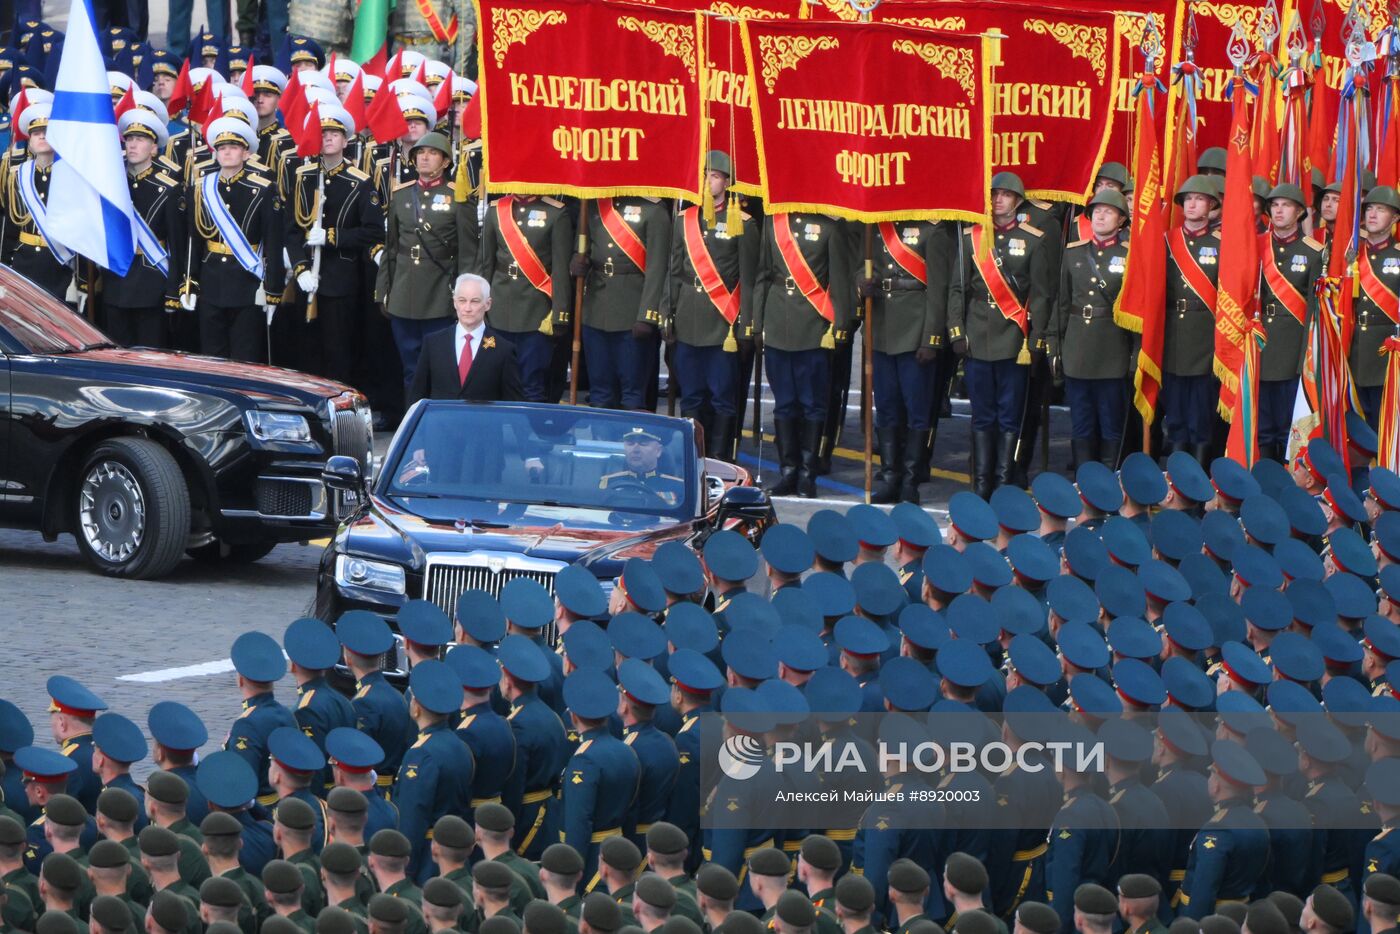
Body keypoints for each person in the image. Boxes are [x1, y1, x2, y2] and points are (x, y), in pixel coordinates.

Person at [947, 171, 1053, 497]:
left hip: (1013, 338)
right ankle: (981, 485)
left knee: (1009, 418)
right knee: (981, 417)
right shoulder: (971, 237)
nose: (998, 200)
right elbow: (956, 289)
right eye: (994, 194)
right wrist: (957, 332)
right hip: (978, 335)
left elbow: (1041, 294)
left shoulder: (1033, 239)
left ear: (1018, 201)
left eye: (1005, 195)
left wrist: (1036, 340)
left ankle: (1004, 484)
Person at [666, 151, 758, 462]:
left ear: (727, 182)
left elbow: (749, 278)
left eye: (715, 176)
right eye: (705, 175)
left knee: (722, 397)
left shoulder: (742, 222)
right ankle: (693, 455)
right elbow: (674, 272)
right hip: (689, 318)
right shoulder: (685, 221)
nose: (709, 181)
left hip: (723, 322)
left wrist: (747, 325)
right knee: (690, 394)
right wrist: (668, 314)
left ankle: (720, 456)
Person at [754, 208, 853, 498]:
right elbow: (762, 275)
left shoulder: (829, 227)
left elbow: (840, 280)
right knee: (784, 404)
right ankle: (788, 472)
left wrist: (840, 325)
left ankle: (808, 474)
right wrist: (757, 324)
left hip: (813, 326)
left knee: (812, 404)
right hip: (777, 321)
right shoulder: (774, 224)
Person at [282, 104, 383, 382]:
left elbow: (373, 231)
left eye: (334, 134)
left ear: (345, 140)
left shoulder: (359, 182)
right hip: (307, 280)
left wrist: (332, 236)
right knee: (307, 350)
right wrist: (300, 268)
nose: (327, 138)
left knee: (338, 350)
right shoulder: (303, 177)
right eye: (322, 132)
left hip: (341, 278)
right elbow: (291, 230)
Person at [376, 131, 479, 402]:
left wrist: (464, 297)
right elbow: (392, 249)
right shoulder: (401, 195)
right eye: (420, 153)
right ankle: (413, 420)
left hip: (439, 295)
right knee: (410, 366)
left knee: (440, 367)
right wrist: (382, 290)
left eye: (432, 153)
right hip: (403, 293)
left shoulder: (458, 197)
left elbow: (468, 254)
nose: (424, 157)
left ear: (445, 161)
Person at [858, 218, 950, 505]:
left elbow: (938, 289)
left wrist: (931, 338)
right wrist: (861, 284)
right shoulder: (876, 227)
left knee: (916, 411)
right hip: (883, 327)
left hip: (915, 328)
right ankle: (890, 477)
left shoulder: (931, 231)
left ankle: (910, 479)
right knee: (886, 408)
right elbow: (863, 265)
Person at [185, 116, 285, 363]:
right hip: (211, 282)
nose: (227, 153)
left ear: (246, 153)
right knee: (212, 355)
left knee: (245, 356)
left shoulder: (263, 189)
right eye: (221, 148)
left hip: (247, 282)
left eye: (233, 147)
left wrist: (273, 289)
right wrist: (190, 282)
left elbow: (273, 241)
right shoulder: (200, 188)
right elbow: (194, 240)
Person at [81, 109, 184, 348]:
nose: (133, 145)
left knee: (151, 356)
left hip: (151, 283)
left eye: (141, 139)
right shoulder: (111, 184)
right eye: (129, 139)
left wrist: (173, 291)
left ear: (154, 148)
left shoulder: (169, 189)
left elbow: (177, 244)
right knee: (118, 355)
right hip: (116, 280)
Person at [1055, 189, 1132, 470]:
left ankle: (1110, 483)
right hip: (1078, 347)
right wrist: (1055, 345)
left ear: (1121, 220)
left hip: (1112, 349)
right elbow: (1062, 303)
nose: (1100, 216)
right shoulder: (1074, 253)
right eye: (1096, 211)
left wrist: (1136, 354)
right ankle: (1085, 482)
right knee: (1081, 422)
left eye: (1108, 211)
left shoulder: (1129, 256)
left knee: (1110, 423)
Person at [573, 196, 671, 412]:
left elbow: (657, 269)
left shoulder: (653, 211)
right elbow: (583, 247)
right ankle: (602, 443)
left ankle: (632, 445)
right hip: (596, 308)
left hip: (632, 310)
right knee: (600, 392)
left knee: (632, 395)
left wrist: (647, 315)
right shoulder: (594, 205)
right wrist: (578, 262)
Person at [480, 191, 574, 402]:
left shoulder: (556, 213)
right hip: (499, 307)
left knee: (532, 382)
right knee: (495, 379)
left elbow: (559, 269)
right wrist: (479, 304)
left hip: (536, 310)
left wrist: (560, 313)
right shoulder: (496, 210)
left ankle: (530, 433)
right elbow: (486, 263)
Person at [1257, 183, 1323, 462]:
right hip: (1259, 343)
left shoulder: (1313, 252)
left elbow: (1313, 309)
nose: (1279, 210)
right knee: (1260, 426)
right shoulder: (1257, 245)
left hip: (1292, 348)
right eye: (1274, 205)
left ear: (1299, 212)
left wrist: (1305, 357)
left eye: (1286, 205)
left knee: (1286, 424)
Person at [391, 662, 474, 878]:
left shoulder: (420, 754)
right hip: (453, 852)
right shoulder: (460, 745)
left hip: (427, 860)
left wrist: (404, 870)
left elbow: (412, 818)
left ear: (416, 707)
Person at [1161, 175, 1222, 463]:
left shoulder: (1222, 243)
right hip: (1173, 336)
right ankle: (1176, 478)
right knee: (1175, 416)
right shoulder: (1167, 240)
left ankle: (1198, 482)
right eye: (1188, 199)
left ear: (1211, 205)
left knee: (1201, 417)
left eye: (1199, 199)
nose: (1193, 204)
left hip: (1205, 338)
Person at [407, 274, 523, 404]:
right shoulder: (433, 344)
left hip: (483, 423)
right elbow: (417, 396)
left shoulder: (503, 350)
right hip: (442, 423)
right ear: (454, 302)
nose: (467, 308)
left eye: (475, 301)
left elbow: (514, 405)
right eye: (462, 300)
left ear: (488, 304)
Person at [2, 102, 73, 302]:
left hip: (59, 263)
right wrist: (5, 266)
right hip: (24, 263)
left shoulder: (70, 177)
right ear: (30, 142)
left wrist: (83, 278)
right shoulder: (18, 176)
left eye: (47, 131)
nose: (42, 136)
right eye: (36, 133)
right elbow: (10, 227)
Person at [1350, 186, 1400, 432]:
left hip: (1387, 351)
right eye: (1369, 208)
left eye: (1381, 209)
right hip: (1355, 347)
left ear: (1395, 218)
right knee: (1357, 426)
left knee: (1384, 424)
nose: (1372, 214)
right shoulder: (1350, 255)